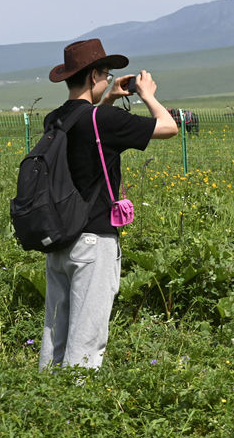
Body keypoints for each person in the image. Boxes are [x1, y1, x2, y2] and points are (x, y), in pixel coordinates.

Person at [39, 39, 178, 371]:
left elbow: (86, 122)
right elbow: (169, 127)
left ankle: (44, 398)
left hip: (58, 238)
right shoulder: (103, 121)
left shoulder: (53, 120)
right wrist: (147, 94)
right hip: (94, 240)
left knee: (54, 332)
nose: (107, 78)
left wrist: (110, 96)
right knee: (86, 338)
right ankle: (77, 410)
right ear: (93, 77)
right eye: (105, 73)